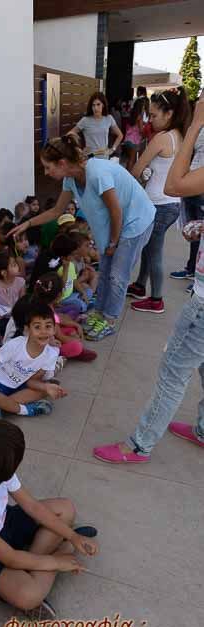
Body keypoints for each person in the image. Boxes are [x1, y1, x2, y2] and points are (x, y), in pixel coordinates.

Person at [93, 95, 204, 464]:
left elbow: (174, 184)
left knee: (173, 371)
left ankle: (138, 445)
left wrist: (195, 126)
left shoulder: (176, 135)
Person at [0, 420, 98, 616]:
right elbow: (10, 558)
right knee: (29, 595)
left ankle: (34, 566)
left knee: (65, 509)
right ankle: (59, 551)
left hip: (2, 522)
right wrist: (56, 562)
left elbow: (32, 506)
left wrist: (72, 535)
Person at [10, 135, 156, 341]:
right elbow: (56, 211)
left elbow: (116, 211)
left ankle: (109, 320)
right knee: (105, 270)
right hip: (115, 224)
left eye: (48, 167)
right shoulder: (70, 180)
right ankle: (100, 312)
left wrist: (113, 243)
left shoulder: (97, 173)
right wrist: (28, 223)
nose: (46, 172)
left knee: (117, 276)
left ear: (62, 163)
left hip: (136, 220)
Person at [127, 87, 190, 314]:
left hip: (158, 205)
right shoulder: (180, 136)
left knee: (153, 252)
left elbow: (136, 169)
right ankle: (140, 285)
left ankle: (156, 300)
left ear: (168, 113)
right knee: (149, 248)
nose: (150, 120)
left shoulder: (162, 138)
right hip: (171, 204)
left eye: (153, 115)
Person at [0, 302, 66, 419]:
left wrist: (46, 388)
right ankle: (26, 410)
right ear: (27, 330)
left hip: (17, 386)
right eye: (37, 327)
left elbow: (31, 382)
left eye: (48, 326)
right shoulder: (16, 344)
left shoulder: (51, 354)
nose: (43, 331)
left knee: (44, 390)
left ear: (54, 330)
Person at [169, 126, 204, 288]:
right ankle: (192, 269)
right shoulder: (198, 126)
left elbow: (170, 187)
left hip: (198, 185)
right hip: (191, 182)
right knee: (193, 234)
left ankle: (198, 277)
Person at [33, 274, 97, 362]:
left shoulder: (41, 305)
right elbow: (60, 336)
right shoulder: (49, 314)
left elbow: (58, 319)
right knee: (76, 346)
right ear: (59, 295)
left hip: (48, 335)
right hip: (45, 344)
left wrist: (76, 325)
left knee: (71, 329)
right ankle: (71, 354)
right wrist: (78, 340)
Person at [68, 92, 123, 158]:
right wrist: (78, 150)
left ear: (103, 105)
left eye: (98, 104)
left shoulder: (109, 118)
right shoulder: (85, 120)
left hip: (104, 158)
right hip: (89, 158)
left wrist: (112, 149)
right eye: (93, 105)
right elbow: (69, 134)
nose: (95, 108)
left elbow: (120, 135)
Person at [0, 250, 25, 338]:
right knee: (3, 327)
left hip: (15, 316)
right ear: (4, 273)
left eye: (15, 264)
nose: (17, 266)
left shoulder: (20, 282)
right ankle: (2, 336)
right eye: (13, 265)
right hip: (1, 318)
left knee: (20, 328)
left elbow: (23, 300)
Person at [122, 97, 146, 172]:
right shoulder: (140, 116)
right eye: (143, 106)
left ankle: (127, 173)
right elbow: (141, 130)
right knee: (132, 160)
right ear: (141, 107)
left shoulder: (131, 114)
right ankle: (128, 175)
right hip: (134, 141)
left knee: (130, 159)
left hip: (127, 139)